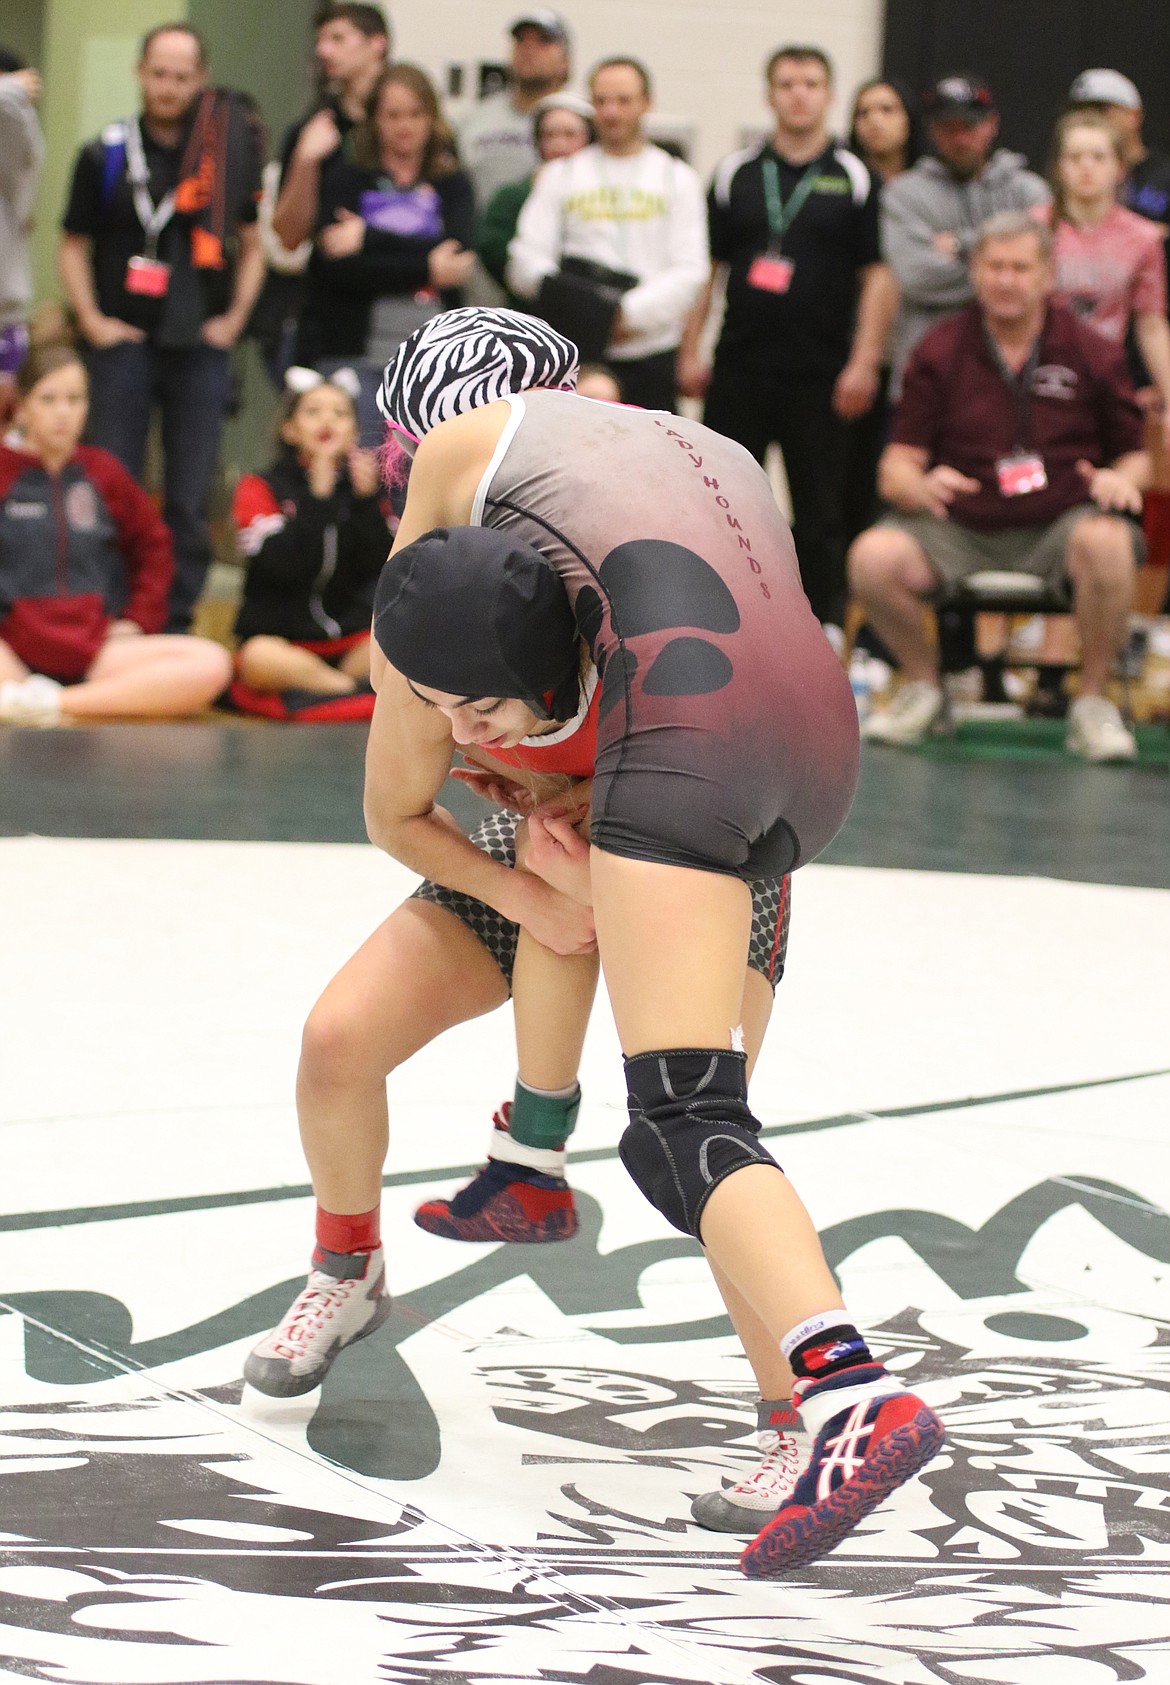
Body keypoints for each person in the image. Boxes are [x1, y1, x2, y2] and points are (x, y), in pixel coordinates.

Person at [267, 307, 945, 1575]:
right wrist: (539, 879)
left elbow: (434, 588)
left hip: (671, 805)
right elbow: (391, 806)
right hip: (783, 755)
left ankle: (817, 1403)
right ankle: (383, 1244)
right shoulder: (671, 478)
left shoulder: (484, 523)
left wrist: (572, 840)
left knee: (692, 1124)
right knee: (343, 1036)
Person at [851, 213, 1148, 762]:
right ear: (975, 272)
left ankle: (1091, 704)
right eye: (994, 267)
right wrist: (915, 484)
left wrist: (1118, 480)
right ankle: (925, 688)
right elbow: (896, 464)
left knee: (1109, 542)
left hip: (1061, 521)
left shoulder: (1092, 350)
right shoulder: (939, 349)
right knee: (872, 557)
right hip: (962, 523)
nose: (1006, 280)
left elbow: (1135, 458)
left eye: (1020, 268)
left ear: (1046, 277)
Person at [677, 45, 895, 634]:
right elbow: (709, 270)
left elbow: (877, 277)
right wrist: (689, 350)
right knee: (722, 504)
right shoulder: (735, 173)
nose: (799, 94)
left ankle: (820, 630)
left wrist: (864, 363)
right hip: (740, 368)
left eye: (811, 83)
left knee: (820, 512)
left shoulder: (854, 177)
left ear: (828, 95)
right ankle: (721, 627)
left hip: (822, 375)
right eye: (787, 83)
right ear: (769, 93)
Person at [57, 22, 265, 632]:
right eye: (159, 73)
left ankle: (174, 619)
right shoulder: (107, 152)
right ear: (140, 72)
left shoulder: (224, 155)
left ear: (199, 78)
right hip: (122, 342)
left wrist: (232, 321)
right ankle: (111, 612)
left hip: (199, 346)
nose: (169, 87)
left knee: (190, 495)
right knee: (111, 483)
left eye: (182, 76)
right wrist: (93, 322)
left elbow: (253, 244)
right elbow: (72, 245)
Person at [0, 344, 231, 725]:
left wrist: (137, 620)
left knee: (211, 663)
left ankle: (54, 704)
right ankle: (29, 695)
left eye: (75, 399)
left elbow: (154, 546)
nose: (63, 412)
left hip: (94, 650)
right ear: (23, 406)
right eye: (49, 399)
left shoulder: (103, 472)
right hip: (11, 651)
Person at [507, 58, 708, 412]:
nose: (612, 112)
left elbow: (690, 271)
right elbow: (525, 262)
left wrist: (621, 315)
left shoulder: (677, 178)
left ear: (648, 102)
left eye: (624, 100)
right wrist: (587, 310)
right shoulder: (562, 175)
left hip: (650, 356)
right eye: (601, 101)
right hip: (576, 356)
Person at [297, 63, 475, 446]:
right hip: (355, 350)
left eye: (415, 114)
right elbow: (339, 269)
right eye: (393, 115)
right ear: (375, 120)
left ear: (432, 118)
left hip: (435, 364)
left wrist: (369, 238)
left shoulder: (452, 181)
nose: (404, 126)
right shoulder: (348, 178)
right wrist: (427, 264)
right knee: (362, 471)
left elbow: (459, 257)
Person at [229, 367, 388, 720]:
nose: (327, 421)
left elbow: (380, 565)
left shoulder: (365, 488)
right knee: (258, 658)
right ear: (289, 428)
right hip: (286, 643)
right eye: (313, 412)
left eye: (340, 413)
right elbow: (282, 565)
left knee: (396, 640)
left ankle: (324, 692)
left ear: (354, 431)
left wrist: (366, 504)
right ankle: (348, 693)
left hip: (350, 641)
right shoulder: (261, 487)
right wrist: (317, 497)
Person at [882, 74, 1050, 393]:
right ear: (932, 130)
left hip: (1013, 377)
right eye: (948, 128)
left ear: (991, 124)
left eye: (969, 127)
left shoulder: (1029, 191)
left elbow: (1043, 272)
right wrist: (1009, 273)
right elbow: (917, 277)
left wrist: (962, 244)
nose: (959, 139)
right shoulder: (904, 194)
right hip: (927, 376)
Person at [1050, 110, 1170, 423]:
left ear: (1119, 167)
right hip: (1044, 377)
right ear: (1059, 166)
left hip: (1108, 379)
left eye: (1098, 157)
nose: (1086, 167)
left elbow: (1151, 324)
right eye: (1074, 157)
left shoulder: (1142, 237)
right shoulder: (1035, 228)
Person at [272, 3, 391, 256]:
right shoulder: (311, 129)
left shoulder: (411, 122)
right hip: (330, 285)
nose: (323, 51)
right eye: (320, 41)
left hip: (403, 283)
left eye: (338, 38)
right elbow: (289, 239)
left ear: (377, 44)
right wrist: (306, 161)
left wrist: (369, 236)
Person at [475, 92, 595, 301]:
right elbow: (494, 253)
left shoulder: (603, 194)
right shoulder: (511, 196)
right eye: (549, 135)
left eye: (570, 135)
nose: (560, 146)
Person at [456, 11, 572, 210]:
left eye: (543, 41)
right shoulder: (473, 120)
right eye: (520, 40)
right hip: (487, 236)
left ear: (565, 61)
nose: (529, 49)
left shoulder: (580, 123)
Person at [1066, 69, 1170, 238]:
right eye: (1082, 111)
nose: (1092, 119)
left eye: (1102, 109)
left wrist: (1143, 235)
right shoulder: (1070, 171)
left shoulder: (1165, 175)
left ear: (1134, 115)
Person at [0, 49, 44, 429]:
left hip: (4, 317)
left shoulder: (12, 126)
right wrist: (8, 87)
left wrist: (9, 93)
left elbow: (10, 111)